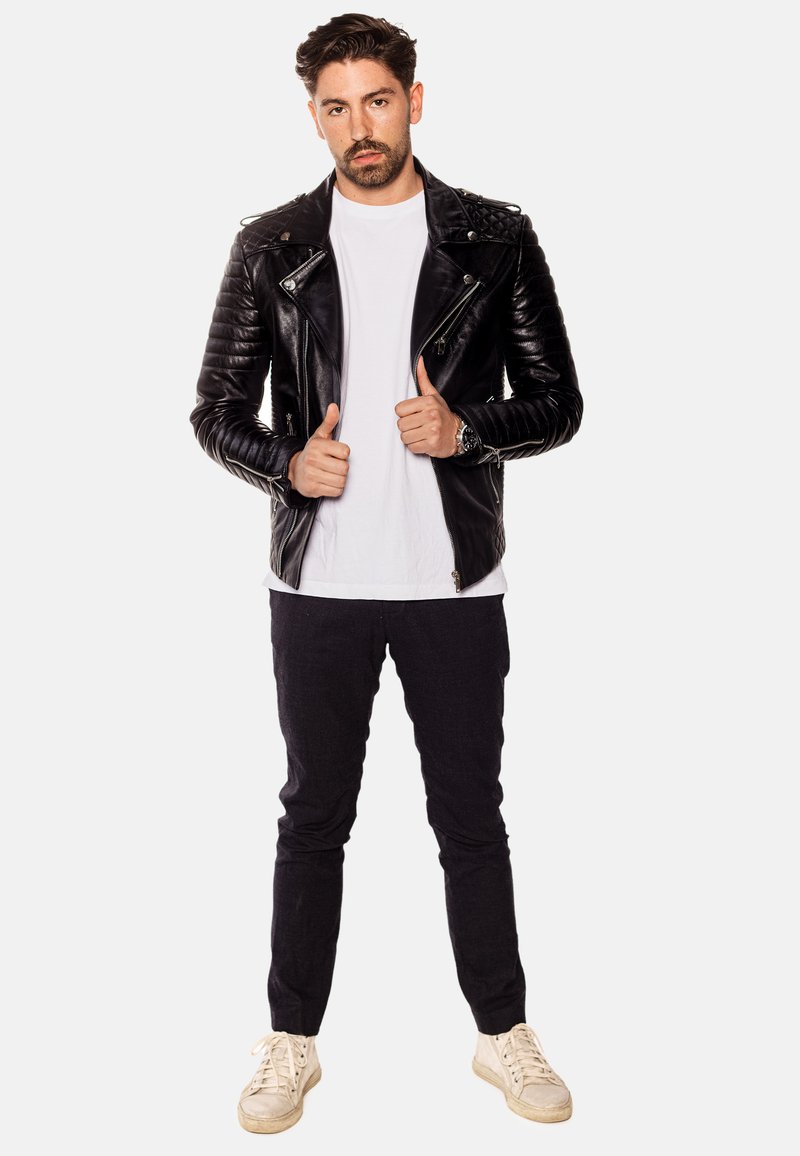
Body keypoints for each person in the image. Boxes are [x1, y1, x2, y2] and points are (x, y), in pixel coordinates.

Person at [190, 12, 583, 1134]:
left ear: (415, 100)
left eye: (376, 100)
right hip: (317, 584)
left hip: (454, 582)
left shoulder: (493, 237)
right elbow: (214, 410)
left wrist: (465, 430)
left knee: (470, 815)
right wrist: (285, 462)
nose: (358, 127)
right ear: (312, 116)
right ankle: (291, 1042)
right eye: (335, 107)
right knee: (313, 814)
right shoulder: (272, 244)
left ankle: (501, 1032)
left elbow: (558, 401)